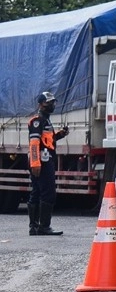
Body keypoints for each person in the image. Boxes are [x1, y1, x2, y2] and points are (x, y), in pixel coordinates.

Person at [28, 91, 68, 236]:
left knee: (37, 192)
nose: (52, 105)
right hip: (41, 162)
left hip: (44, 160)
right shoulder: (37, 121)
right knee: (48, 193)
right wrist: (35, 163)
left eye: (53, 102)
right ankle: (43, 226)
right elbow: (34, 143)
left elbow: (48, 142)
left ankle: (35, 227)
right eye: (48, 102)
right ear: (41, 104)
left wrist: (61, 134)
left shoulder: (46, 121)